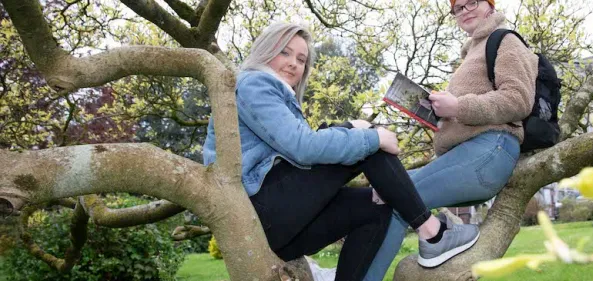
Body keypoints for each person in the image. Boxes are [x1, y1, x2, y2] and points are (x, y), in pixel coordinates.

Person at [201, 22, 480, 281]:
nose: (293, 64)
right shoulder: (254, 83)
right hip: (263, 212)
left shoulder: (271, 94)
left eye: (301, 59)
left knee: (376, 208)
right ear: (265, 51)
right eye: (284, 52)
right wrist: (371, 136)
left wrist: (350, 127)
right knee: (368, 144)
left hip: (282, 227)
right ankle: (432, 233)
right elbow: (303, 148)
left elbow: (294, 145)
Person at [362, 0, 539, 279]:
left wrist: (457, 107)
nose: (465, 10)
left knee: (399, 198)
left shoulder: (505, 40)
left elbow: (518, 99)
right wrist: (442, 118)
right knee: (383, 191)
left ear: (490, 7)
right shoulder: (470, 54)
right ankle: (446, 233)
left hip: (490, 150)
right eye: (458, 8)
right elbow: (471, 110)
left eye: (472, 3)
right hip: (468, 154)